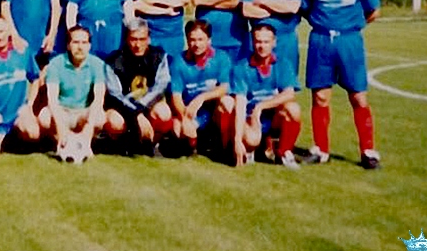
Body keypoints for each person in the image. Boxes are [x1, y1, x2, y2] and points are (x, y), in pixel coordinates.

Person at [301, 0, 382, 169]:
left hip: (350, 42)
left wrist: (353, 27)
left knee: (358, 96)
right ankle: (321, 149)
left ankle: (368, 151)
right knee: (320, 97)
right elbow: (305, 8)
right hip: (321, 41)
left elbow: (374, 10)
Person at [39, 25, 123, 161]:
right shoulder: (56, 64)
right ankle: (61, 144)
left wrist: (89, 126)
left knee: (100, 117)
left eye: (84, 43)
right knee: (44, 117)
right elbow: (52, 100)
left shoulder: (97, 64)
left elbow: (99, 98)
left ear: (89, 45)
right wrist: (60, 126)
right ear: (68, 45)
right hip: (63, 110)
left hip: (84, 112)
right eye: (76, 42)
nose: (80, 47)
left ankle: (84, 144)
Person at [229, 23, 302, 169]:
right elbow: (241, 104)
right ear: (252, 42)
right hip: (250, 119)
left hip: (272, 117)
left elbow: (289, 93)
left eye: (266, 42)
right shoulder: (241, 67)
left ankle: (284, 152)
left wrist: (261, 107)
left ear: (274, 42)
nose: (262, 46)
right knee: (252, 140)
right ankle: (250, 149)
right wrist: (238, 139)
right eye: (258, 41)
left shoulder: (283, 64)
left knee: (293, 109)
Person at [104, 18, 175, 156]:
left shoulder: (158, 56)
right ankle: (123, 144)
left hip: (148, 105)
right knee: (114, 122)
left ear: (149, 38)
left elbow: (160, 87)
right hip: (123, 108)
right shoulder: (114, 60)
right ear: (126, 39)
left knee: (164, 113)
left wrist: (141, 109)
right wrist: (136, 114)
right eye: (133, 39)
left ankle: (153, 143)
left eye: (142, 39)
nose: (138, 44)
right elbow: (115, 94)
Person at [0, 15, 41, 159]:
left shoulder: (22, 52)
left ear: (9, 31)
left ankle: (13, 139)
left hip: (19, 114)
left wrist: (29, 106)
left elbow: (36, 79)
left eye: (1, 31)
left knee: (33, 133)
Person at [167, 19, 235, 159]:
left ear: (209, 40)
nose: (196, 44)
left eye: (200, 39)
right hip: (189, 111)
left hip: (211, 110)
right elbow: (176, 97)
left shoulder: (221, 58)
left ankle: (226, 147)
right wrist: (184, 117)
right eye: (192, 40)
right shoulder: (178, 61)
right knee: (178, 129)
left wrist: (202, 97)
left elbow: (224, 88)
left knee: (228, 102)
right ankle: (194, 145)